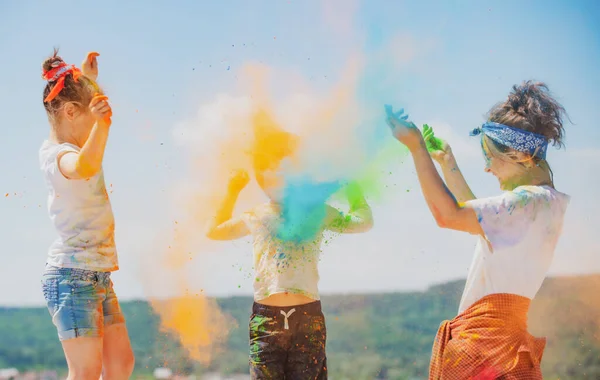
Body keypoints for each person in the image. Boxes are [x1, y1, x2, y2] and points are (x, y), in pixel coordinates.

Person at [384, 81, 570, 379]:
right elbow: (483, 222)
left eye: (489, 157)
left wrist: (416, 148)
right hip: (508, 352)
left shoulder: (523, 204)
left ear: (521, 156)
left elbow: (448, 215)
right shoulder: (546, 204)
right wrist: (447, 162)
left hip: (483, 353)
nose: (486, 168)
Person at [206, 118, 374, 379]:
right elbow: (214, 231)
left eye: (285, 168)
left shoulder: (317, 212)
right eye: (267, 170)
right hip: (266, 322)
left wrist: (352, 188)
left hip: (308, 320)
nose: (275, 175)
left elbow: (364, 222)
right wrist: (232, 190)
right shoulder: (257, 215)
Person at [39, 49, 134, 380]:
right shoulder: (58, 157)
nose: (96, 125)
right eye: (90, 118)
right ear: (69, 112)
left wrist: (88, 78)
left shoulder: (75, 139)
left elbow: (83, 112)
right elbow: (85, 166)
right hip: (71, 277)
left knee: (121, 365)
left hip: (98, 275)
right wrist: (103, 124)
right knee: (86, 370)